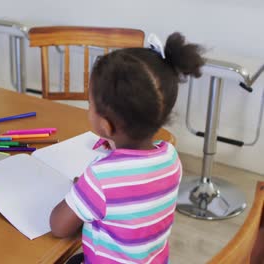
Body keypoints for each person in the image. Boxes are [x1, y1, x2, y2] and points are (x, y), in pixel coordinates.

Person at [50, 32, 205, 264]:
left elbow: (58, 227)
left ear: (105, 125)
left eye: (89, 103)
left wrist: (83, 191)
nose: (88, 108)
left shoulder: (100, 177)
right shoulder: (171, 157)